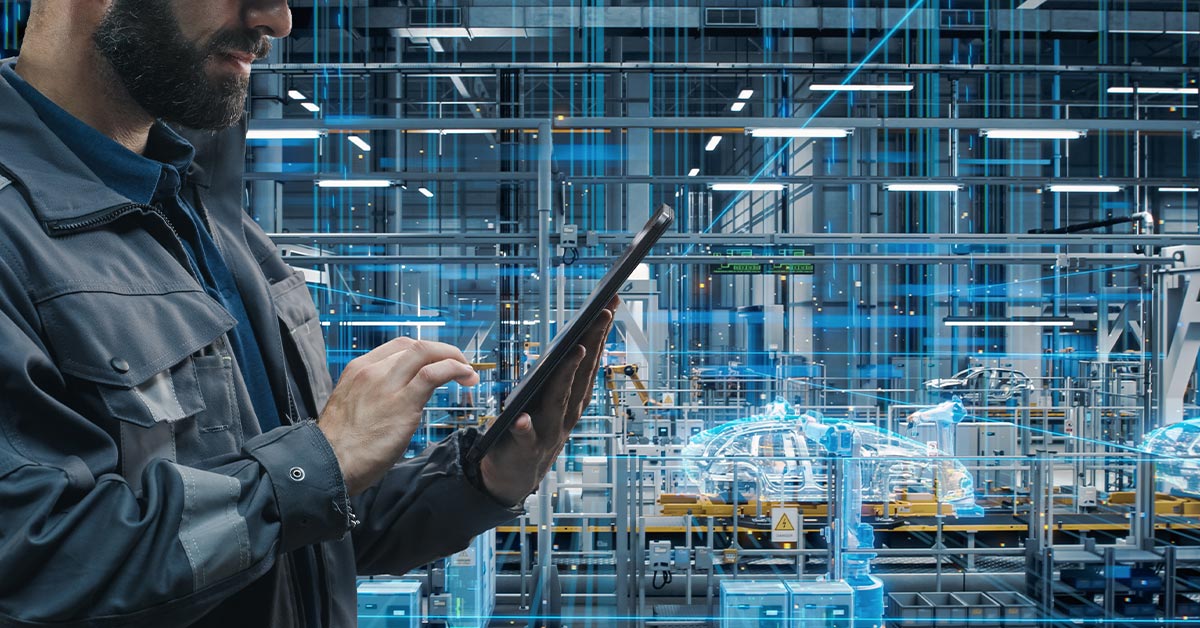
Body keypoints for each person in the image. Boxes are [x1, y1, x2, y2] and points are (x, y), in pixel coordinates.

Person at [0, 0, 614, 625]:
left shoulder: (210, 222)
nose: (279, 20)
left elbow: (304, 528)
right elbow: (39, 569)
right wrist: (318, 462)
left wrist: (483, 479)